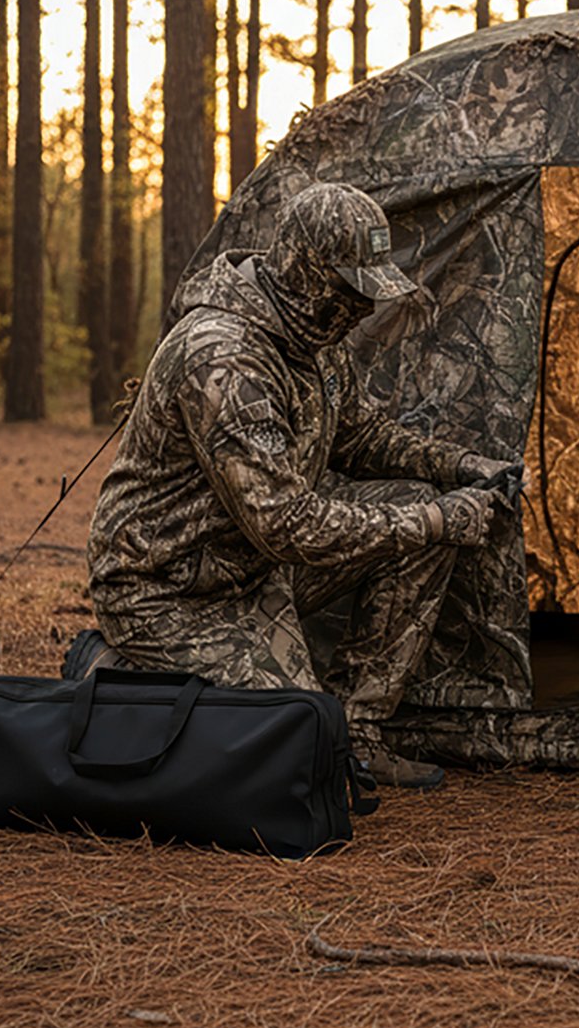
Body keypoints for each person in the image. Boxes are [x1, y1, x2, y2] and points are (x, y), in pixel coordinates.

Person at [74, 182, 517, 789]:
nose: (363, 308)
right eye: (352, 291)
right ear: (309, 276)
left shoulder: (312, 338)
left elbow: (361, 438)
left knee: (419, 517)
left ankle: (359, 735)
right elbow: (285, 524)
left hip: (251, 568)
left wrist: (461, 468)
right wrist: (438, 518)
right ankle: (116, 670)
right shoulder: (225, 358)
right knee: (300, 737)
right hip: (168, 588)